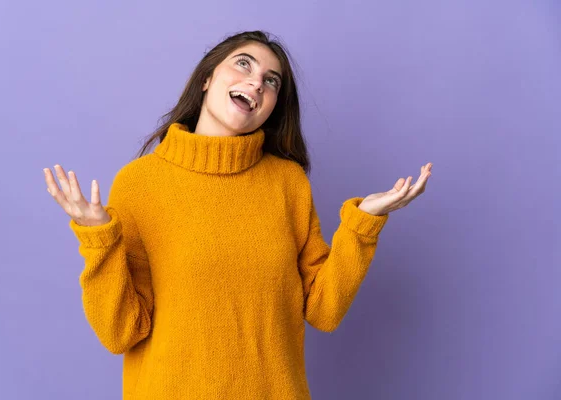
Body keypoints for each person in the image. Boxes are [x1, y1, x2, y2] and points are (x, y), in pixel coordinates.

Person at [43, 30, 432, 400]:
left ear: (272, 107)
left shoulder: (287, 183)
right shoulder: (140, 184)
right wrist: (98, 238)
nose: (257, 82)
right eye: (243, 64)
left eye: (272, 80)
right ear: (207, 79)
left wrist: (362, 224)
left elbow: (324, 310)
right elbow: (121, 333)